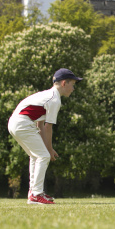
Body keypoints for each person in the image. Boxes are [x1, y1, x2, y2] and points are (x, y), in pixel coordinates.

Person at [8, 68, 83, 205]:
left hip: (16, 123)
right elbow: (48, 127)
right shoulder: (54, 100)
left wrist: (47, 147)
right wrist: (49, 149)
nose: (73, 88)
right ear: (64, 83)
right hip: (22, 123)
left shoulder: (48, 95)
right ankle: (36, 194)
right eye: (72, 84)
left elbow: (40, 124)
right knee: (43, 156)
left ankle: (34, 192)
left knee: (36, 155)